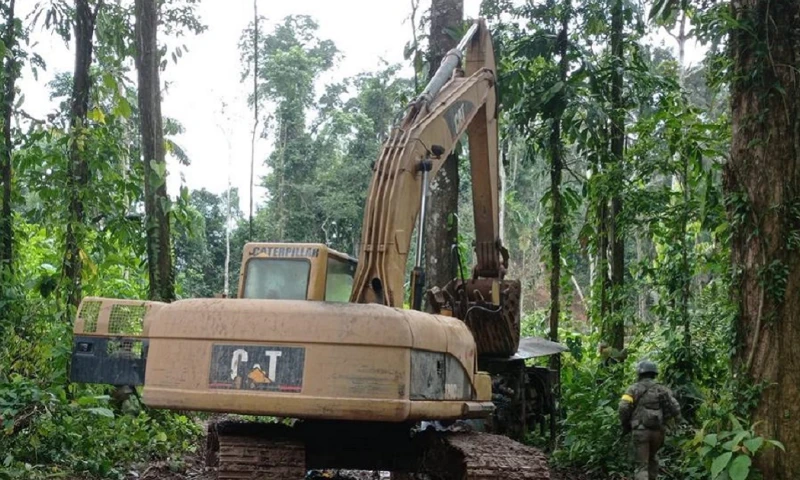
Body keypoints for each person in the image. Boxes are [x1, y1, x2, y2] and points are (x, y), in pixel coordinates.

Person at [618, 360, 681, 480]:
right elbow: (675, 407)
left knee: (642, 466)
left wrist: (625, 423)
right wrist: (679, 422)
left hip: (641, 431)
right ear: (654, 374)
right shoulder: (663, 390)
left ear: (639, 373)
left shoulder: (633, 389)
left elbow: (623, 407)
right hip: (658, 432)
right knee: (653, 458)